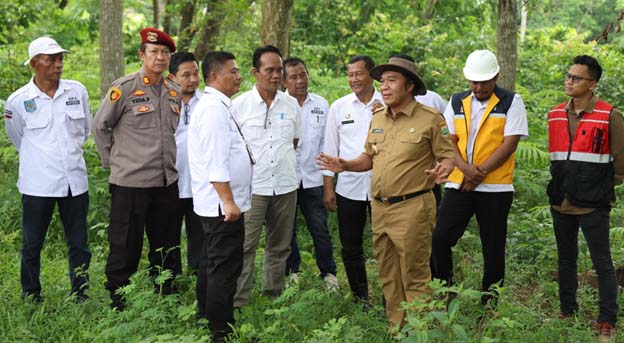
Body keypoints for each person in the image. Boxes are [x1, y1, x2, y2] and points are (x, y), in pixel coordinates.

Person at [317, 56, 455, 327]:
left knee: (415, 275)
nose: (385, 87)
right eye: (382, 82)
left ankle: (420, 331)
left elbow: (447, 155)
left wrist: (444, 169)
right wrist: (344, 164)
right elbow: (368, 158)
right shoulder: (378, 118)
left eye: (392, 81)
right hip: (380, 208)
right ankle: (397, 330)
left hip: (413, 207)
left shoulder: (430, 118)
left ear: (410, 86)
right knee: (389, 275)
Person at [92, 28, 182, 310]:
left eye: (165, 53)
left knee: (167, 243)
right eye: (154, 52)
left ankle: (165, 292)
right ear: (142, 55)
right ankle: (120, 298)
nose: (160, 57)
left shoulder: (173, 89)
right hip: (130, 183)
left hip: (166, 181)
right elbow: (100, 126)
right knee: (125, 244)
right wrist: (113, 163)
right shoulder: (126, 87)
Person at [431, 49, 529, 305]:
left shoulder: (511, 101)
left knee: (493, 247)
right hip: (459, 183)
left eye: (484, 81)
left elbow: (510, 144)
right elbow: (448, 140)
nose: (478, 86)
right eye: (474, 81)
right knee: (440, 237)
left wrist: (479, 173)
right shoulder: (456, 101)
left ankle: (490, 303)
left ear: (496, 76)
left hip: (495, 188)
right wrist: (465, 169)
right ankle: (446, 291)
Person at [4, 36, 91, 302]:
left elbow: (84, 131)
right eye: (51, 59)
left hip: (74, 181)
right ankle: (31, 294)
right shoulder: (18, 101)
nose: (58, 64)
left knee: (79, 243)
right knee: (32, 244)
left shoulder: (76, 92)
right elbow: (17, 137)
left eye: (60, 58)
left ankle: (81, 292)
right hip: (38, 184)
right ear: (34, 63)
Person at [547, 55, 621, 341]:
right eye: (568, 75)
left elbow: (621, 162)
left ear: (592, 84)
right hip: (560, 199)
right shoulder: (554, 114)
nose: (569, 80)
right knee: (566, 259)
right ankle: (568, 309)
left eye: (576, 78)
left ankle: (607, 319)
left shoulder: (609, 114)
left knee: (602, 262)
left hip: (593, 202)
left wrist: (599, 184)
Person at [188, 51, 251, 343]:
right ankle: (221, 332)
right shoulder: (213, 109)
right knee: (224, 268)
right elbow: (215, 161)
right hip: (220, 205)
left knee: (212, 263)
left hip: (216, 203)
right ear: (214, 76)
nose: (239, 77)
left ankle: (208, 316)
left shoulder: (218, 106)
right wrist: (228, 200)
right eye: (233, 72)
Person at [232, 45, 302, 307]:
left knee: (280, 245)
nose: (276, 75)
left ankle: (272, 296)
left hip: (285, 185)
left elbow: (294, 141)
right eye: (269, 70)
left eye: (279, 70)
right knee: (245, 246)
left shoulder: (291, 104)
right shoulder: (239, 106)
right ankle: (240, 301)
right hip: (253, 188)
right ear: (255, 72)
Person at [322, 55, 383, 303]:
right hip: (348, 188)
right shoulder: (339, 107)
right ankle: (361, 298)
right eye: (350, 75)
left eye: (358, 74)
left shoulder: (386, 103)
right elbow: (330, 148)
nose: (354, 79)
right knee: (350, 246)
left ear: (372, 75)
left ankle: (390, 297)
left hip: (383, 187)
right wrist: (328, 187)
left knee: (385, 245)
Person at [281, 57, 338, 289]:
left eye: (303, 74)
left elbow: (327, 145)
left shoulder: (321, 104)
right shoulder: (278, 104)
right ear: (284, 80)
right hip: (286, 180)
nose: (300, 81)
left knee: (320, 229)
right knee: (287, 230)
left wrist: (328, 184)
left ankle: (328, 274)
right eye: (293, 77)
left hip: (314, 179)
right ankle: (291, 272)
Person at [167, 52, 203, 274]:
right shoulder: (164, 100)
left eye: (196, 74)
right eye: (186, 75)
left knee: (200, 232)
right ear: (172, 77)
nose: (193, 79)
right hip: (171, 179)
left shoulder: (208, 101)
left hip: (201, 182)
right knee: (168, 233)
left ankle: (198, 274)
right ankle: (170, 278)